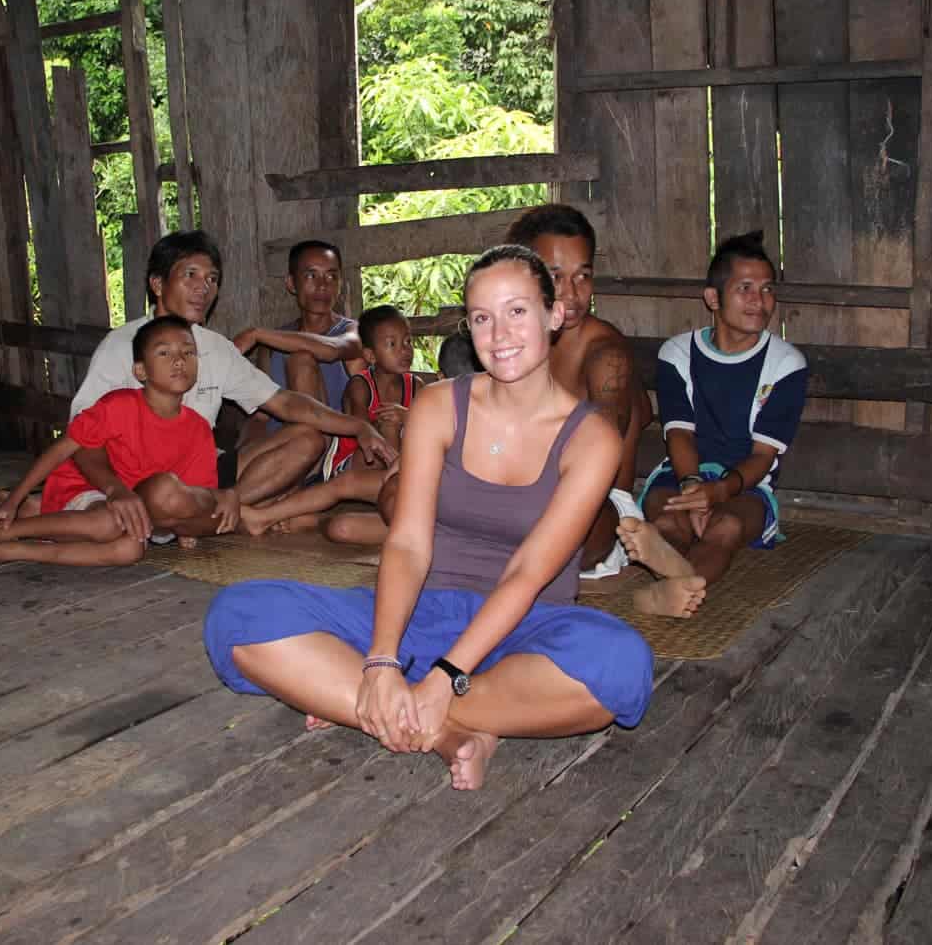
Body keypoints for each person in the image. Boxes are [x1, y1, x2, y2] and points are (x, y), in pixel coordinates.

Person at [204, 245, 654, 792]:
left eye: (517, 311)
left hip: (526, 627)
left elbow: (529, 573)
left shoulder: (591, 438)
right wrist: (381, 661)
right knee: (237, 615)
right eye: (482, 318)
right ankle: (448, 723)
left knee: (620, 667)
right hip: (424, 610)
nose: (500, 334)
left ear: (553, 315)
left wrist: (445, 675)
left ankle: (394, 706)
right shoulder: (440, 406)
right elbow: (409, 546)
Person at [66, 231, 395, 543]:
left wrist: (358, 425)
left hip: (201, 475)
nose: (203, 288)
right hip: (137, 480)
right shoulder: (122, 345)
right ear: (157, 284)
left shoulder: (215, 347)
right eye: (191, 275)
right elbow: (79, 436)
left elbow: (285, 403)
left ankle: (225, 509)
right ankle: (220, 518)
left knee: (309, 437)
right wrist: (113, 489)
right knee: (163, 494)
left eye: (211, 279)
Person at [617, 230, 808, 616]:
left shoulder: (786, 364)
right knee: (671, 524)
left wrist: (719, 493)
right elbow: (680, 434)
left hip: (747, 484)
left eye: (768, 289)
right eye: (746, 288)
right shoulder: (677, 353)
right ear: (713, 298)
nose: (760, 300)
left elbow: (762, 455)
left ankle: (661, 590)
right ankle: (676, 588)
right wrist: (693, 487)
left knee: (725, 530)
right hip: (682, 472)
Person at [0, 318, 235, 568]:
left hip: (137, 513)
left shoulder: (198, 428)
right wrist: (11, 503)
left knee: (130, 551)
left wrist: (187, 527)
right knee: (109, 522)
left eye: (188, 352)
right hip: (88, 489)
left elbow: (197, 491)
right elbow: (60, 450)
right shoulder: (119, 405)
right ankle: (4, 531)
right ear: (141, 371)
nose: (179, 361)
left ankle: (12, 550)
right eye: (165, 353)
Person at [504, 206, 660, 595]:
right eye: (555, 276)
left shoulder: (605, 355)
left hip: (596, 506)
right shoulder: (512, 339)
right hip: (523, 490)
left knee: (578, 525)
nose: (572, 294)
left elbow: (594, 465)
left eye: (583, 276)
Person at [240, 305, 434, 537]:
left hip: (400, 469)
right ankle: (270, 514)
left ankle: (312, 518)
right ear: (371, 355)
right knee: (385, 426)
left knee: (397, 423)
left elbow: (430, 432)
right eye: (393, 344)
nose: (405, 351)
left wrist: (408, 417)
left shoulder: (417, 387)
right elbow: (365, 434)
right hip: (360, 460)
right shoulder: (361, 386)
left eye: (408, 342)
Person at [232, 240, 364, 437]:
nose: (322, 286)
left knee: (300, 360)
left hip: (331, 449)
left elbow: (331, 350)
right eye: (311, 275)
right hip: (286, 450)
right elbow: (261, 418)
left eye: (331, 276)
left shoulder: (353, 332)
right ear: (292, 283)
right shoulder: (272, 345)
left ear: (340, 285)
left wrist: (256, 333)